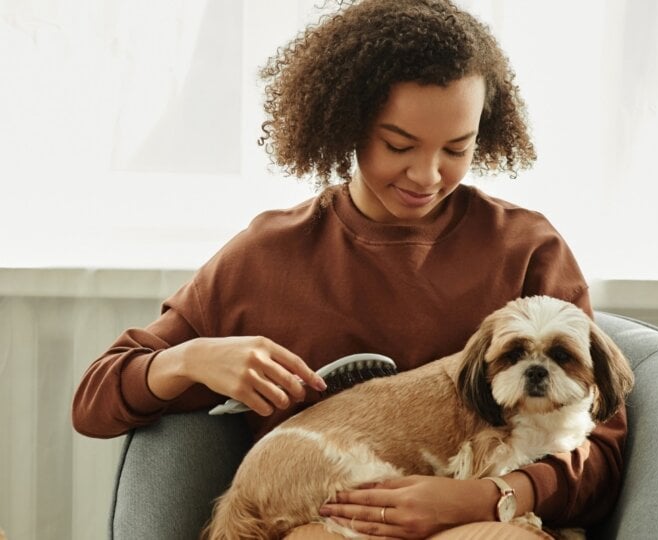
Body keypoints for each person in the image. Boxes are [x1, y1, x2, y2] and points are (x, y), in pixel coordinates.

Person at [72, 1, 627, 538]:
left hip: (481, 517)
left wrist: (491, 496)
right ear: (345, 123)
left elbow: (601, 452)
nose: (428, 175)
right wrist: (191, 359)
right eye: (398, 145)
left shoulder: (526, 246)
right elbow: (94, 403)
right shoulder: (266, 256)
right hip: (324, 521)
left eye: (457, 148)